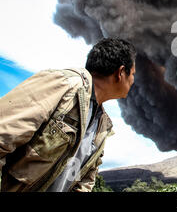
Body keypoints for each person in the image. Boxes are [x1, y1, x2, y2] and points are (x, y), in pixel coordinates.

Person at [0, 38, 136, 192]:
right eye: (132, 74)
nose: (133, 80)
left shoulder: (103, 126)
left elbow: (85, 180)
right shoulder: (63, 85)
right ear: (120, 72)